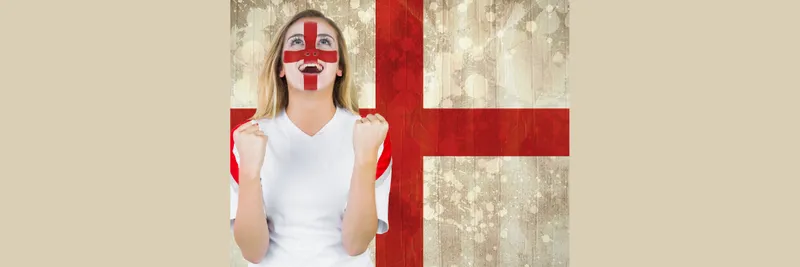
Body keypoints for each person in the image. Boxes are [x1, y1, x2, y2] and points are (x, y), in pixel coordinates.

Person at [229, 9, 393, 267]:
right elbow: (252, 252)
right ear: (281, 67)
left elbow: (356, 244)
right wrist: (250, 172)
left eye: (324, 43)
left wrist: (365, 159)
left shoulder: (372, 136)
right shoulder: (244, 138)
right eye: (297, 42)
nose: (310, 53)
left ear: (340, 67)